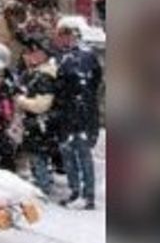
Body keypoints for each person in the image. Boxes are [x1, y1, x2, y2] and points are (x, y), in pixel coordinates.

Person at [51, 15, 104, 209]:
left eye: (65, 34)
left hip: (78, 113)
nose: (61, 39)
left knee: (80, 154)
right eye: (60, 35)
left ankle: (86, 195)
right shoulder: (66, 56)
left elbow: (87, 82)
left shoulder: (80, 56)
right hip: (72, 113)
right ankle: (77, 192)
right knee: (70, 155)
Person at [15, 39, 59, 196]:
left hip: (41, 122)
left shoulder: (45, 75)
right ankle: (42, 181)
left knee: (38, 154)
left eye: (33, 52)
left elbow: (42, 104)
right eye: (27, 53)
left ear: (43, 55)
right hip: (37, 123)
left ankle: (43, 186)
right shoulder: (34, 72)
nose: (28, 56)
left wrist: (20, 101)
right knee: (37, 154)